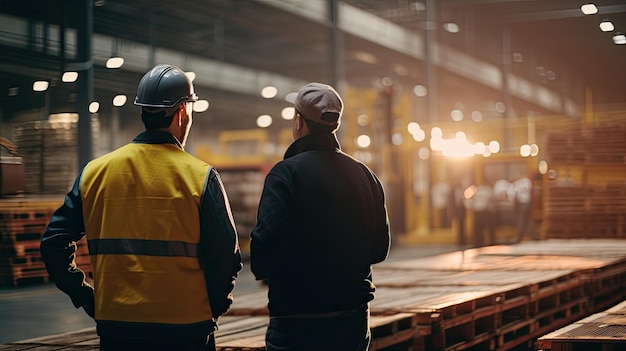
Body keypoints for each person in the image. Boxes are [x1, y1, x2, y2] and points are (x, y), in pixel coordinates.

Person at [40, 64, 242, 351]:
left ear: (143, 112)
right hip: (186, 330)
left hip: (118, 329)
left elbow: (53, 243)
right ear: (183, 111)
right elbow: (226, 257)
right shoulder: (200, 177)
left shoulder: (95, 173)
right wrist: (211, 307)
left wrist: (86, 296)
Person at [249, 82, 391, 351]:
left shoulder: (285, 174)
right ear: (333, 125)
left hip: (296, 316)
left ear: (298, 121)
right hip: (352, 316)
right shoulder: (364, 175)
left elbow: (264, 246)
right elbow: (379, 249)